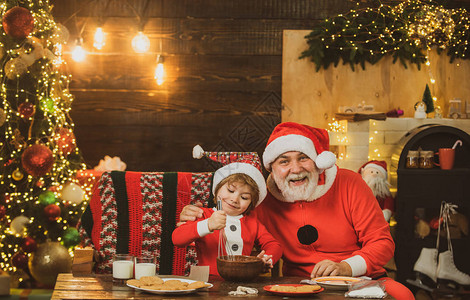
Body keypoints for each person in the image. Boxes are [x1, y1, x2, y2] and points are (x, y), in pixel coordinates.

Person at [180, 122, 414, 299]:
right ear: (272, 167)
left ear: (317, 161)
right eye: (284, 161)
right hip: (297, 284)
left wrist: (346, 266)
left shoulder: (348, 182)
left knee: (402, 295)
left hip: (361, 278)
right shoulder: (261, 199)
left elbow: (383, 243)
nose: (295, 169)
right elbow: (229, 223)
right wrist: (195, 217)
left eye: (303, 158)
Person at [172, 148, 282, 276]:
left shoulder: (252, 222)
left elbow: (275, 245)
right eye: (230, 190)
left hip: (242, 281)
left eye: (244, 197)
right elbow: (177, 239)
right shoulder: (203, 215)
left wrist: (267, 258)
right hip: (208, 282)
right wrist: (208, 225)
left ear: (251, 203)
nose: (235, 199)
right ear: (217, 188)